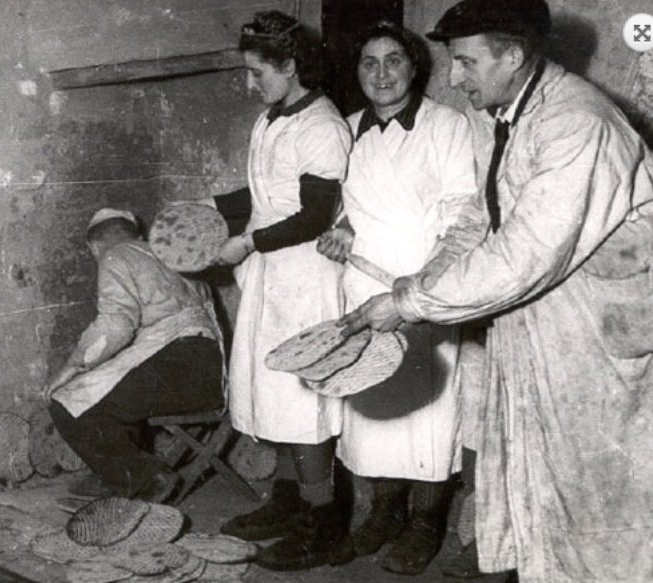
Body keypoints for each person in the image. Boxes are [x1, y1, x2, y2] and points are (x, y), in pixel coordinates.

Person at [339, 1, 653, 581]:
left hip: (596, 333)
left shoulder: (577, 124)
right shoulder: (504, 114)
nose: (454, 78)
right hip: (541, 324)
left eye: (465, 62)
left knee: (597, 501)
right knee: (539, 475)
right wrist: (422, 280)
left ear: (513, 55)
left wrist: (410, 304)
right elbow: (479, 220)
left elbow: (526, 253)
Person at [182, 10, 353, 571]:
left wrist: (246, 243)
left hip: (304, 278)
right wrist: (209, 208)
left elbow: (312, 215)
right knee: (275, 399)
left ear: (292, 65)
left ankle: (323, 523)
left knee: (303, 404)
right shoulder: (274, 119)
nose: (249, 84)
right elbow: (262, 194)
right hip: (268, 277)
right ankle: (286, 502)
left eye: (258, 73)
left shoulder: (322, 126)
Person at [315, 21, 477, 576]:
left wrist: (424, 285)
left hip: (423, 290)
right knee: (375, 408)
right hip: (364, 290)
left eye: (393, 61)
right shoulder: (351, 127)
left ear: (415, 67)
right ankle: (384, 514)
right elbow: (348, 201)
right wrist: (340, 225)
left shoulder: (446, 125)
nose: (381, 74)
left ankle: (425, 525)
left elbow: (462, 212)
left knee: (427, 415)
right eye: (368, 63)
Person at [45, 208, 224, 503]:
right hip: (210, 376)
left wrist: (72, 366)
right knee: (113, 389)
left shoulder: (115, 255)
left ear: (93, 247)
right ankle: (119, 475)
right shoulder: (172, 257)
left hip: (177, 364)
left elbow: (115, 326)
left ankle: (146, 479)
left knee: (65, 402)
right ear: (139, 236)